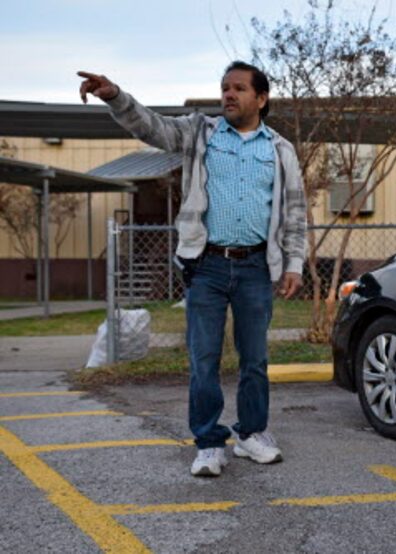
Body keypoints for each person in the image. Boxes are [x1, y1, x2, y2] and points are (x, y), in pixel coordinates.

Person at [77, 62, 307, 477]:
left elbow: (295, 211)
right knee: (204, 359)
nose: (229, 95)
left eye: (239, 88)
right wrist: (115, 96)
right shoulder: (200, 133)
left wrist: (294, 264)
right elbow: (152, 128)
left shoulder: (279, 149)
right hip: (207, 266)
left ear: (261, 98)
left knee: (254, 359)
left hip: (256, 266)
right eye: (225, 88)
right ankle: (208, 443)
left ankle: (252, 434)